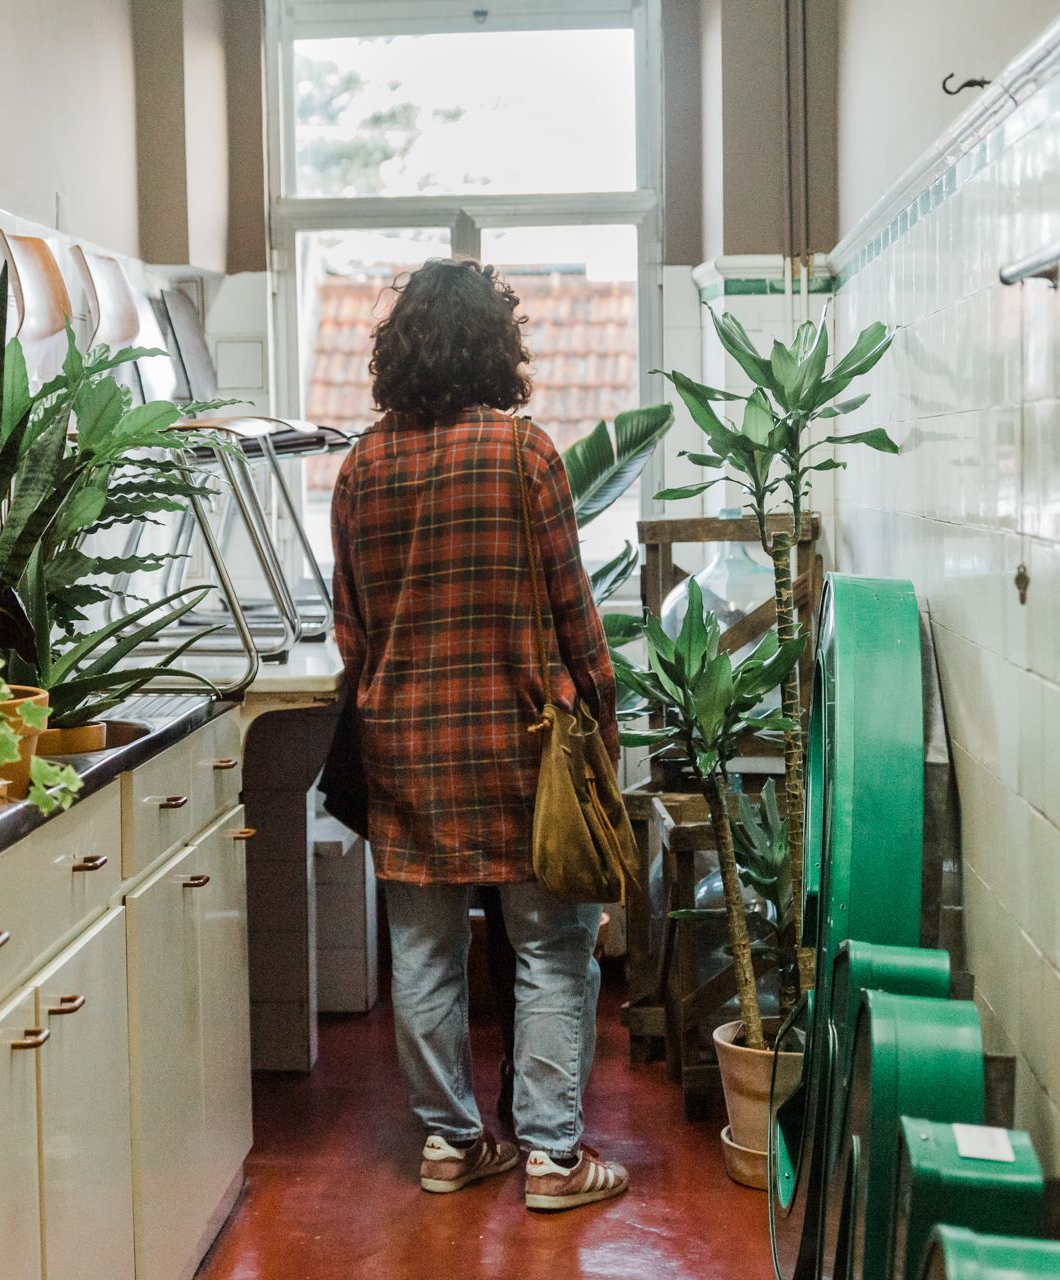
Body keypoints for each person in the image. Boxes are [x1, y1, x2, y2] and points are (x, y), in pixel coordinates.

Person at [329, 258, 628, 1213]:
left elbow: (352, 633)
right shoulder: (524, 455)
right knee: (551, 951)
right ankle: (551, 1159)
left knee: (423, 957)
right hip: (522, 747)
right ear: (498, 349)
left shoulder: (360, 468)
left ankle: (451, 1144)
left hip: (406, 753)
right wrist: (603, 723)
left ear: (397, 354)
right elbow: (575, 616)